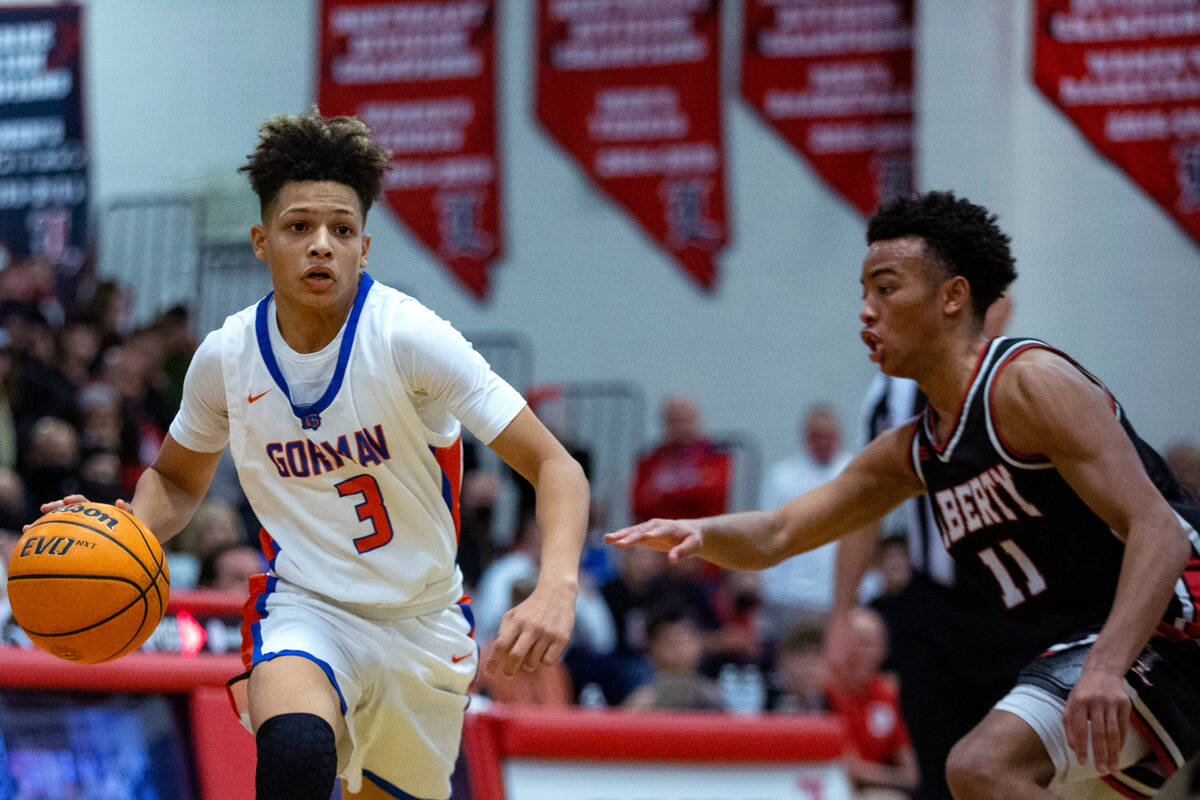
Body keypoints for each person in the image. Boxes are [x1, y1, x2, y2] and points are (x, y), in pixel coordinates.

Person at [34, 112, 589, 800]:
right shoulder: (226, 359)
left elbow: (555, 465)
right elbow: (177, 479)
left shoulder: (410, 339)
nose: (321, 245)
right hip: (306, 607)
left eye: (341, 230)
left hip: (423, 622)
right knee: (296, 752)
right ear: (262, 242)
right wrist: (119, 532)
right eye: (299, 228)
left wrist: (558, 585)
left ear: (365, 247)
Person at [607, 191, 1200, 799]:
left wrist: (1104, 665)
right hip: (1079, 639)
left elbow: (1160, 531)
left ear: (953, 296)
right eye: (863, 293)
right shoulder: (916, 449)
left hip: (1171, 618)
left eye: (886, 289)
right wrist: (703, 534)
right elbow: (780, 532)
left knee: (982, 768)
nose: (866, 312)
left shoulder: (1027, 385)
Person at [828, 290, 1017, 800]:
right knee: (938, 768)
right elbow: (861, 510)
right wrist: (842, 614)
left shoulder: (1027, 380)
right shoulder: (890, 396)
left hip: (1023, 605)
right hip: (933, 604)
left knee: (1017, 769)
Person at [758, 403, 853, 632]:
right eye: (816, 436)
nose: (823, 442)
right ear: (806, 437)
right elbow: (765, 530)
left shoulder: (855, 471)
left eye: (829, 436)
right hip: (790, 593)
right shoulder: (782, 477)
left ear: (839, 436)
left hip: (841, 593)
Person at [824, 608, 918, 800]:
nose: (863, 652)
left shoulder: (886, 696)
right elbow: (846, 767)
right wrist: (893, 777)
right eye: (856, 643)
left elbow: (911, 772)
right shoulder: (823, 691)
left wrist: (872, 773)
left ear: (884, 650)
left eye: (870, 644)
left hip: (871, 791)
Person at [631, 395, 730, 523]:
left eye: (685, 420)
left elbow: (715, 498)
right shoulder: (649, 461)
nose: (679, 427)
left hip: (706, 535)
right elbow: (639, 504)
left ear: (698, 421)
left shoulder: (717, 457)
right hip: (659, 536)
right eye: (673, 421)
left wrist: (665, 495)